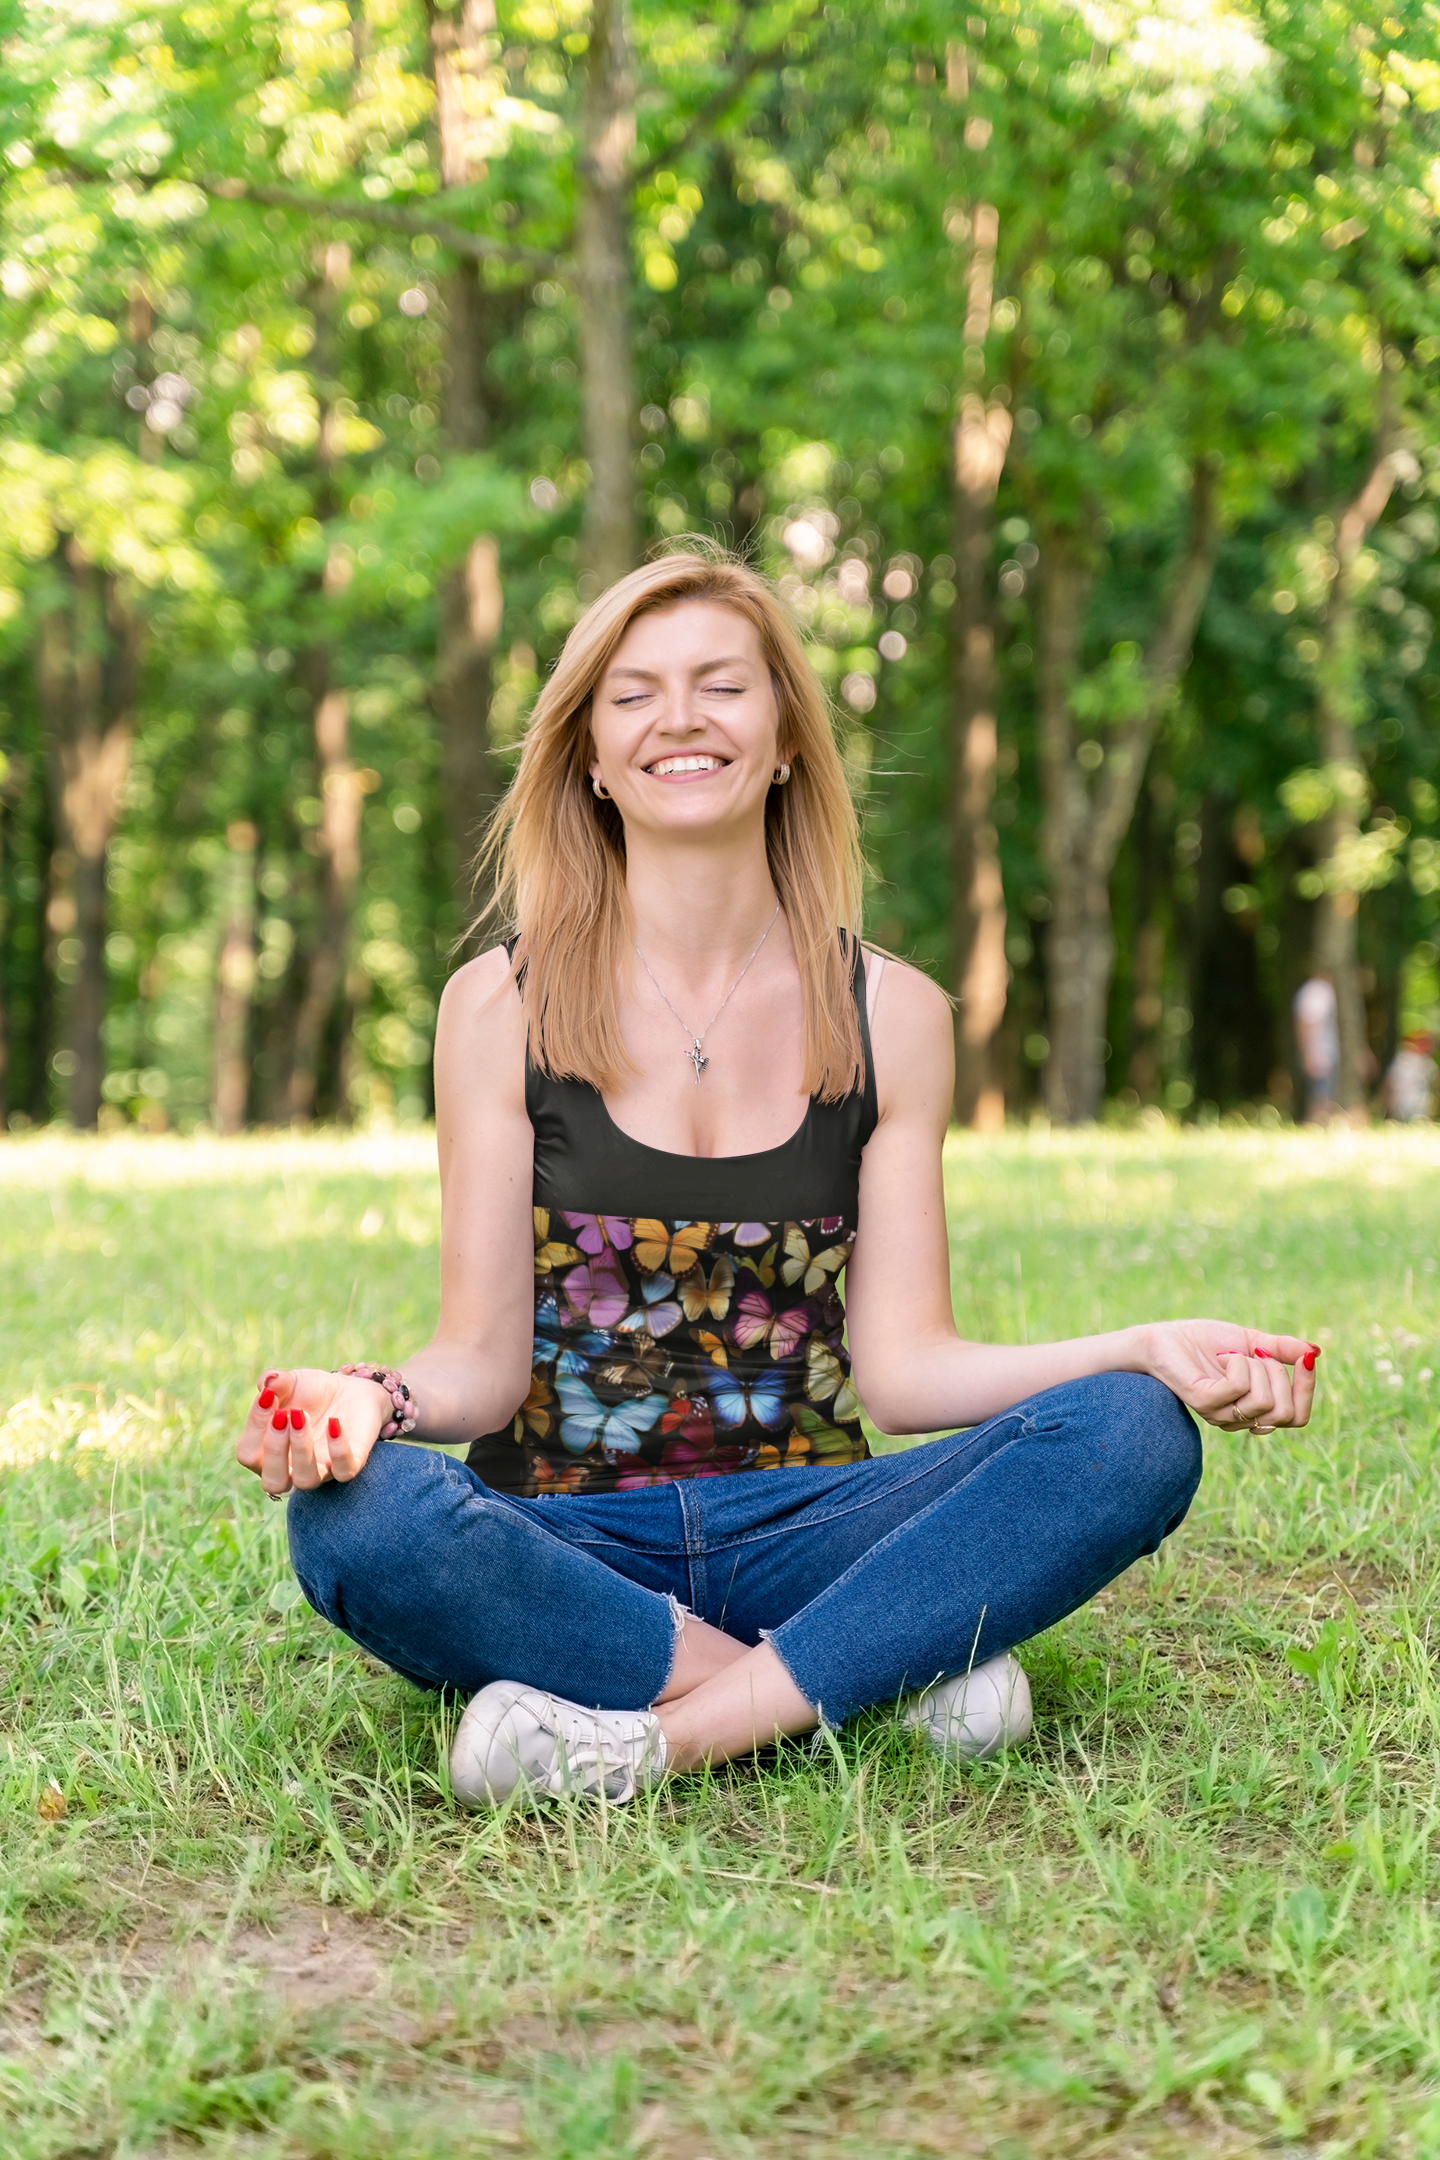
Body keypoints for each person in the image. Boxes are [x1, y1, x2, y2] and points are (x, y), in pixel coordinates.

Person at [236, 549, 1321, 1808]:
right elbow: (482, 1371)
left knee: (1131, 1431)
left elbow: (909, 1371)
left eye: (721, 686)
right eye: (633, 694)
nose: (681, 718)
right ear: (589, 754)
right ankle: (855, 1679)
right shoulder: (498, 1005)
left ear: (789, 736)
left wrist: (1141, 1345)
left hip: (812, 1528)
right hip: (571, 1541)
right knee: (354, 1522)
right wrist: (361, 1400)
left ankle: (651, 1734)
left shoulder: (894, 1013)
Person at [1293, 971, 1339, 1122]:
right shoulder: (1319, 991)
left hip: (1320, 1052)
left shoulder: (1310, 990)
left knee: (1321, 1094)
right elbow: (1307, 1022)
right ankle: (1314, 1126)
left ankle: (1317, 1125)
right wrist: (1309, 1054)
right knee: (1319, 1097)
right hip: (1320, 1053)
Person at [1382, 1030, 1437, 1122]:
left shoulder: (1426, 1062)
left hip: (1420, 1103)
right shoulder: (1403, 1059)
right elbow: (1394, 1082)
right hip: (1403, 1101)